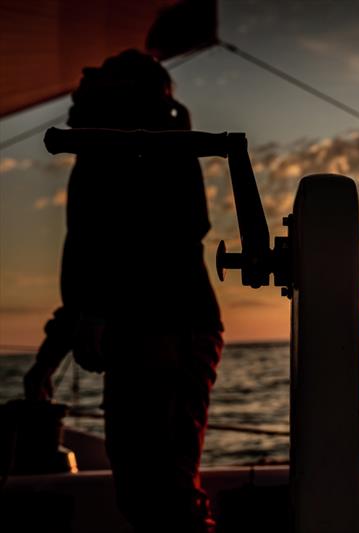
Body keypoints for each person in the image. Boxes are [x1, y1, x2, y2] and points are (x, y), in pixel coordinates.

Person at [24, 49, 223, 533]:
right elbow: (92, 266)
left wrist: (94, 314)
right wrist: (49, 359)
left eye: (103, 75)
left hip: (168, 334)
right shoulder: (101, 151)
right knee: (142, 496)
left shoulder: (144, 145)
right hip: (142, 338)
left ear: (125, 92)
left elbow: (173, 233)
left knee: (165, 499)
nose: (85, 79)